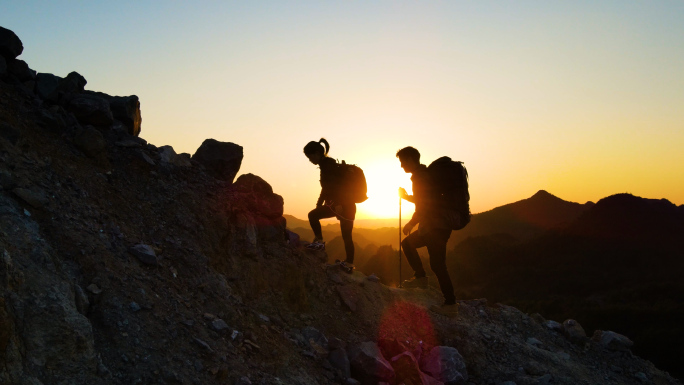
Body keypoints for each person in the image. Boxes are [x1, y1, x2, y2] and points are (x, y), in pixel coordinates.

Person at [397, 146, 457, 313]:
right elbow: (424, 200)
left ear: (410, 159)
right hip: (438, 225)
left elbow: (424, 205)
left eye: (402, 162)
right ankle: (421, 278)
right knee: (410, 245)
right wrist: (407, 197)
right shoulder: (425, 175)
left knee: (437, 264)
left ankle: (450, 304)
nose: (401, 166)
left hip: (435, 226)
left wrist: (411, 223)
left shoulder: (420, 177)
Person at [304, 138, 356, 273]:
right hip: (346, 205)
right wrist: (319, 203)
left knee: (312, 215)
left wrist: (338, 203)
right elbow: (326, 188)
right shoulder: (327, 165)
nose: (310, 161)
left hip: (343, 205)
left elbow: (337, 186)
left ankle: (320, 242)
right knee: (347, 236)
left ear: (316, 153)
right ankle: (349, 263)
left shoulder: (328, 166)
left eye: (310, 157)